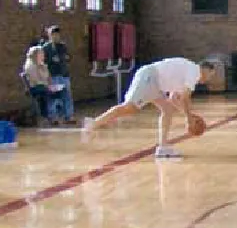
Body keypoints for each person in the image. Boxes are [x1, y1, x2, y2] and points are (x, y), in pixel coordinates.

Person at [84, 57, 216, 158]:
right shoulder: (194, 72)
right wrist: (189, 118)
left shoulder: (188, 72)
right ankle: (93, 123)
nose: (210, 78)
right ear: (205, 69)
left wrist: (189, 116)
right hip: (150, 77)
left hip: (155, 83)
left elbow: (174, 99)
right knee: (129, 108)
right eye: (211, 75)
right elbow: (185, 97)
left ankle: (163, 147)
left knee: (167, 109)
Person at [22, 46, 70, 126]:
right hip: (36, 87)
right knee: (49, 93)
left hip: (44, 86)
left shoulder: (42, 64)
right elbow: (36, 81)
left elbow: (48, 77)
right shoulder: (30, 65)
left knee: (64, 90)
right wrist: (48, 86)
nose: (43, 55)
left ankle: (64, 115)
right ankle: (51, 116)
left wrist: (52, 85)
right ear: (35, 54)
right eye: (41, 53)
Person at [42, 25, 74, 113]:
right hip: (53, 75)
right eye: (53, 34)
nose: (56, 36)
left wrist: (65, 58)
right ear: (50, 35)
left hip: (64, 74)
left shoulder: (62, 46)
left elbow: (68, 57)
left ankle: (69, 115)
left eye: (57, 34)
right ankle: (53, 117)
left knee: (67, 96)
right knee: (54, 97)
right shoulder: (46, 48)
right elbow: (43, 62)